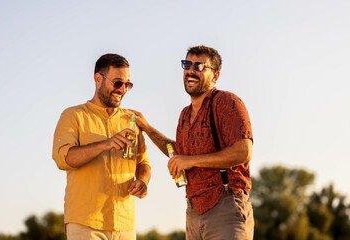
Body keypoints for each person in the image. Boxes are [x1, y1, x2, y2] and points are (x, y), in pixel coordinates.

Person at [132, 45, 254, 239]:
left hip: (225, 205)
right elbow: (178, 152)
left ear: (215, 76)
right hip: (193, 211)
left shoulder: (226, 102)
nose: (191, 70)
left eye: (199, 66)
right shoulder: (184, 114)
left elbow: (243, 152)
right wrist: (147, 128)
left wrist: (191, 161)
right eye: (187, 64)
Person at [52, 53, 151, 240]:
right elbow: (63, 159)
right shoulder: (73, 115)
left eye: (127, 84)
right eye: (117, 83)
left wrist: (143, 181)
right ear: (98, 79)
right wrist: (105, 144)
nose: (122, 89)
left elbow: (143, 162)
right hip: (85, 223)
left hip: (125, 224)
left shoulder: (132, 120)